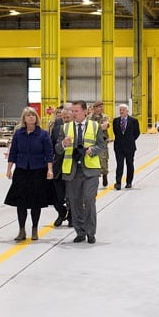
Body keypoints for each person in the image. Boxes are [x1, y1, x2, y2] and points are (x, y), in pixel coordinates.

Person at [57, 100, 105, 243]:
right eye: (72, 111)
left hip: (90, 171)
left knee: (89, 200)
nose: (73, 114)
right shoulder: (65, 128)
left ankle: (91, 232)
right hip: (72, 171)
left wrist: (92, 150)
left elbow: (102, 146)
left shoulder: (95, 126)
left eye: (76, 111)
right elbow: (57, 149)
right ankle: (80, 232)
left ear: (85, 111)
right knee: (75, 202)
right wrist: (63, 144)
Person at [4, 107, 55, 241]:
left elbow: (49, 153)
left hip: (38, 171)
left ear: (36, 118)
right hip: (21, 170)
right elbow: (13, 152)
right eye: (28, 115)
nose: (31, 117)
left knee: (35, 203)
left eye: (33, 115)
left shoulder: (43, 134)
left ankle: (34, 229)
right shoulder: (18, 134)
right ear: (24, 119)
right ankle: (21, 230)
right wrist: (9, 169)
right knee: (21, 203)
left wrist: (50, 170)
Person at [49, 103, 73, 227]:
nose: (65, 119)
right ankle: (61, 212)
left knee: (71, 194)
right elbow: (51, 146)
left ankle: (71, 216)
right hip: (58, 165)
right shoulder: (57, 127)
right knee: (56, 194)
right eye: (64, 117)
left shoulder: (78, 129)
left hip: (72, 166)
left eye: (68, 117)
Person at [112, 103, 141, 190]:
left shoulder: (133, 121)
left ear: (127, 111)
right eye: (120, 110)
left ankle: (129, 182)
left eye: (123, 110)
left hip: (130, 147)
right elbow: (115, 132)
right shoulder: (115, 121)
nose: (121, 111)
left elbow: (137, 133)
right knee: (119, 165)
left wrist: (130, 140)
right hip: (119, 147)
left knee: (130, 164)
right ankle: (118, 182)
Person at [89, 100, 111, 187]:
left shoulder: (105, 116)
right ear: (94, 108)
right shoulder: (89, 117)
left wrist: (97, 127)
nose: (101, 108)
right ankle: (95, 178)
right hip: (92, 141)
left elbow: (105, 125)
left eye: (102, 106)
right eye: (99, 106)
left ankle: (104, 174)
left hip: (102, 141)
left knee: (104, 159)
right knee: (93, 160)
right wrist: (99, 127)